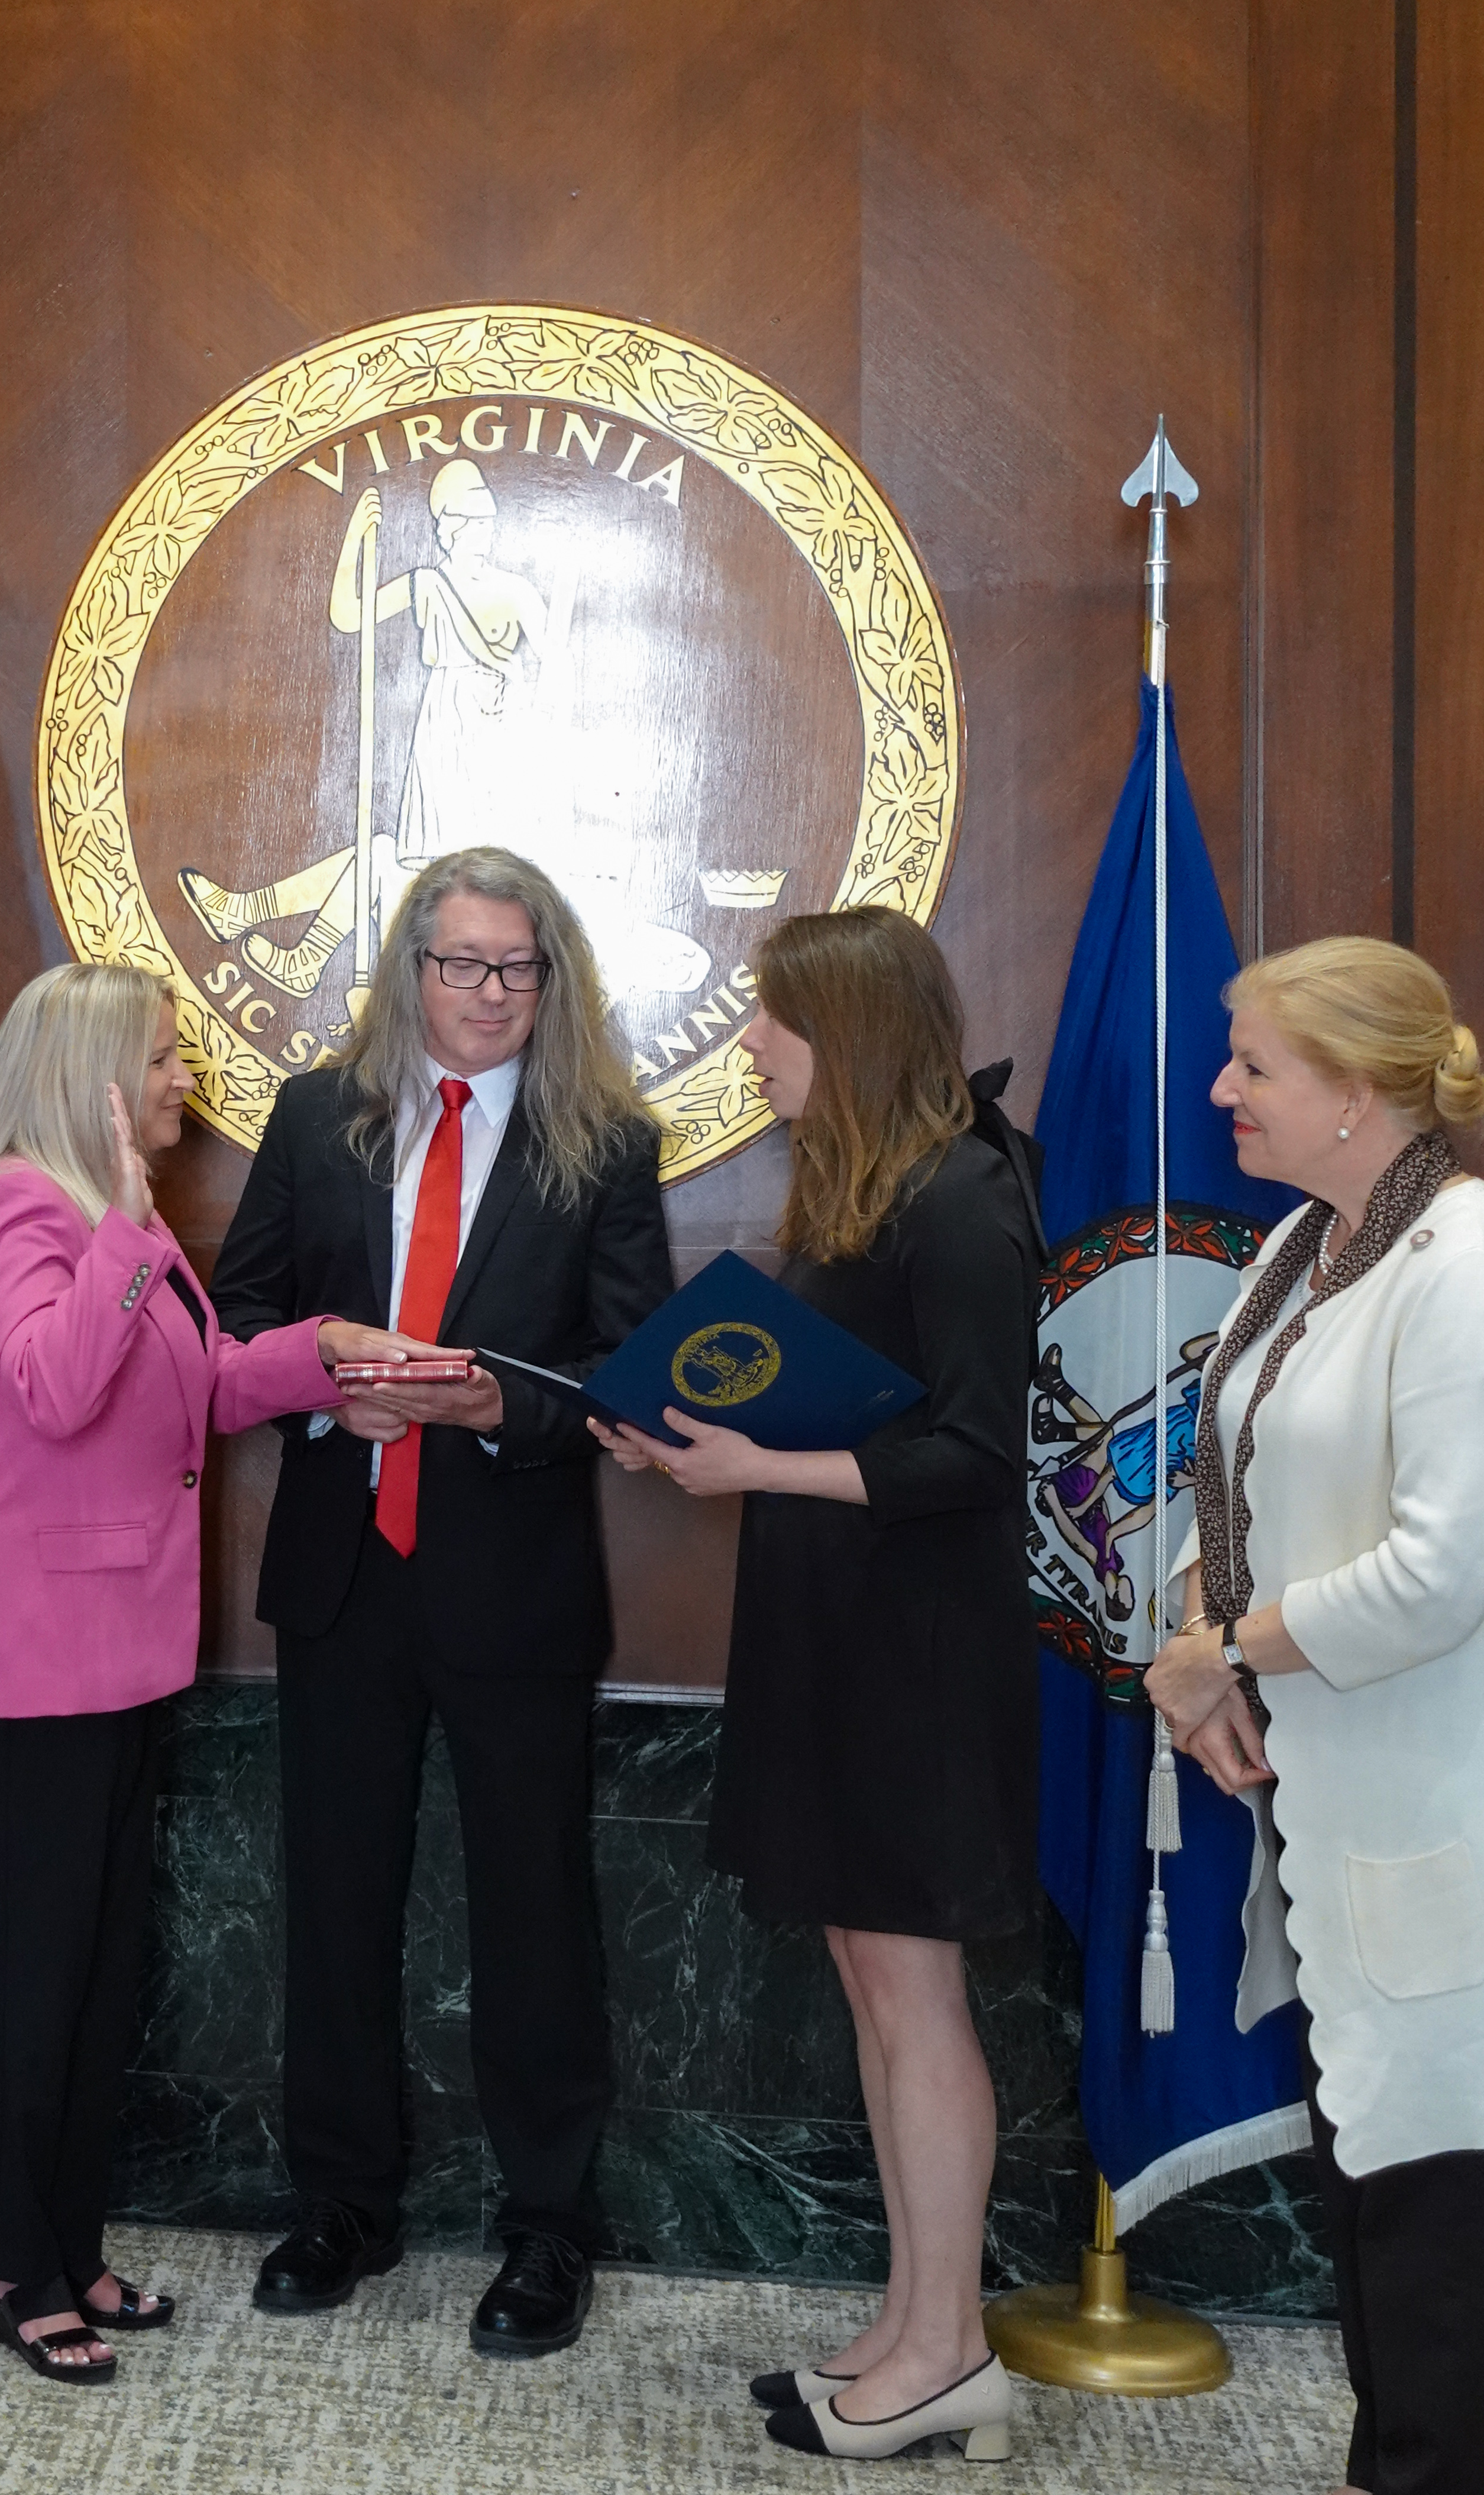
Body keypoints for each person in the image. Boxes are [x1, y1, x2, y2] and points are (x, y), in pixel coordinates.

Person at [0, 964, 413, 2386]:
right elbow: (60, 1388)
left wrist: (325, 1356)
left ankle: (69, 2243)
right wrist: (128, 1236)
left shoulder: (105, 1220)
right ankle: (16, 2265)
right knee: (33, 1974)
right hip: (37, 1660)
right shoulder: (20, 1204)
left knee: (96, 1964)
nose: (185, 1075)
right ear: (94, 1077)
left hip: (122, 1652)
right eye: (165, 1054)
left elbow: (195, 1385)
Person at [209, 843, 674, 2358]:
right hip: (346, 1573)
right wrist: (335, 1389)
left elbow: (634, 1368)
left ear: (555, 979)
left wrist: (490, 1409)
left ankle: (547, 2228)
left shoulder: (600, 1140)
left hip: (515, 1583)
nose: (487, 994)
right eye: (460, 963)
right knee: (335, 1906)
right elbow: (240, 1319)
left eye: (517, 968)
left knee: (535, 1915)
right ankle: (343, 2201)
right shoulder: (316, 1116)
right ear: (408, 967)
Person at [595, 908, 1038, 2464]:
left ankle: (949, 2348)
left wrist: (755, 1463)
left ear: (840, 1030)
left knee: (915, 1994)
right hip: (837, 1635)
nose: (749, 1047)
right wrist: (685, 1439)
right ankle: (917, 2323)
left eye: (771, 1021)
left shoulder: (968, 1192)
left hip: (919, 1656)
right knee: (870, 1978)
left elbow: (981, 1455)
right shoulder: (865, 1185)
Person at [1145, 937, 1484, 2495]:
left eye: (1253, 1063)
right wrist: (1193, 1643)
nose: (1220, 1087)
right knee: (1376, 2191)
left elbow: (1440, 1570)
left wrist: (1230, 1653)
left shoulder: (1461, 1261)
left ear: (1359, 1092)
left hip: (1441, 1814)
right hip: (1327, 1811)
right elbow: (1237, 1489)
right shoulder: (1301, 1248)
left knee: (1435, 2221)